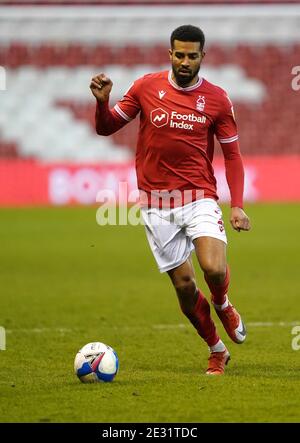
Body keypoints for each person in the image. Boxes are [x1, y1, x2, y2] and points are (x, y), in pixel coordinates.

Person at [90, 24, 251, 375]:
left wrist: (236, 204)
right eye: (179, 54)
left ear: (202, 57)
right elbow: (107, 127)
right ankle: (216, 350)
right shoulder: (146, 87)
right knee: (183, 286)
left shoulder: (219, 99)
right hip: (156, 203)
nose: (185, 61)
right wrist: (102, 104)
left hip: (199, 196)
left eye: (192, 56)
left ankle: (223, 303)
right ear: (170, 54)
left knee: (213, 267)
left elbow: (233, 156)